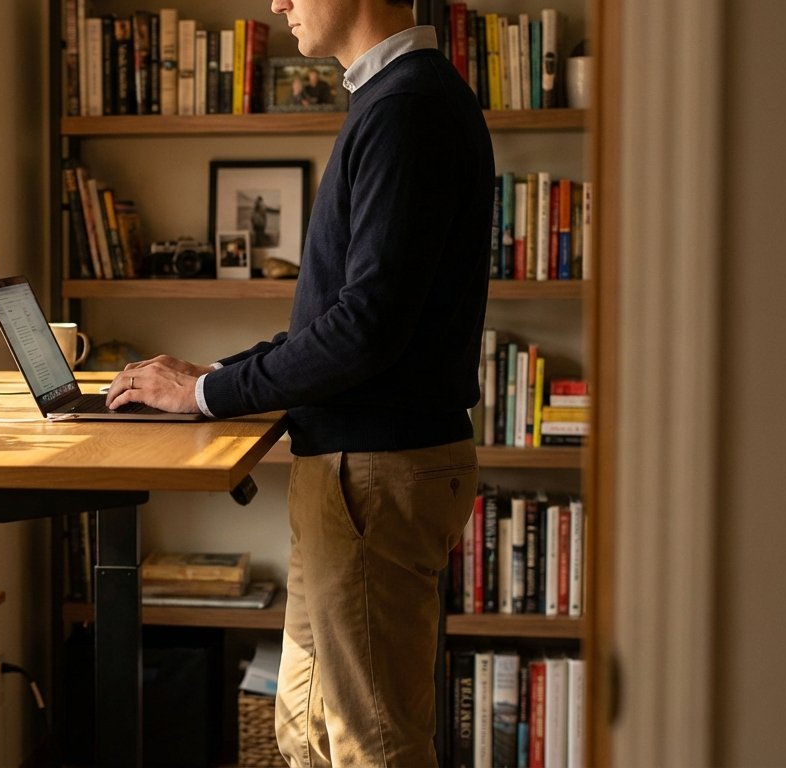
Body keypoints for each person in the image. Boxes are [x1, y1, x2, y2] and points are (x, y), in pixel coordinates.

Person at [105, 0, 494, 764]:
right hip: (360, 472)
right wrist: (215, 375)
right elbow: (341, 314)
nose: (277, 2)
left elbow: (365, 330)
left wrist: (205, 397)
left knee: (369, 745)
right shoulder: (394, 98)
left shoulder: (407, 108)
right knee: (308, 731)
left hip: (372, 474)